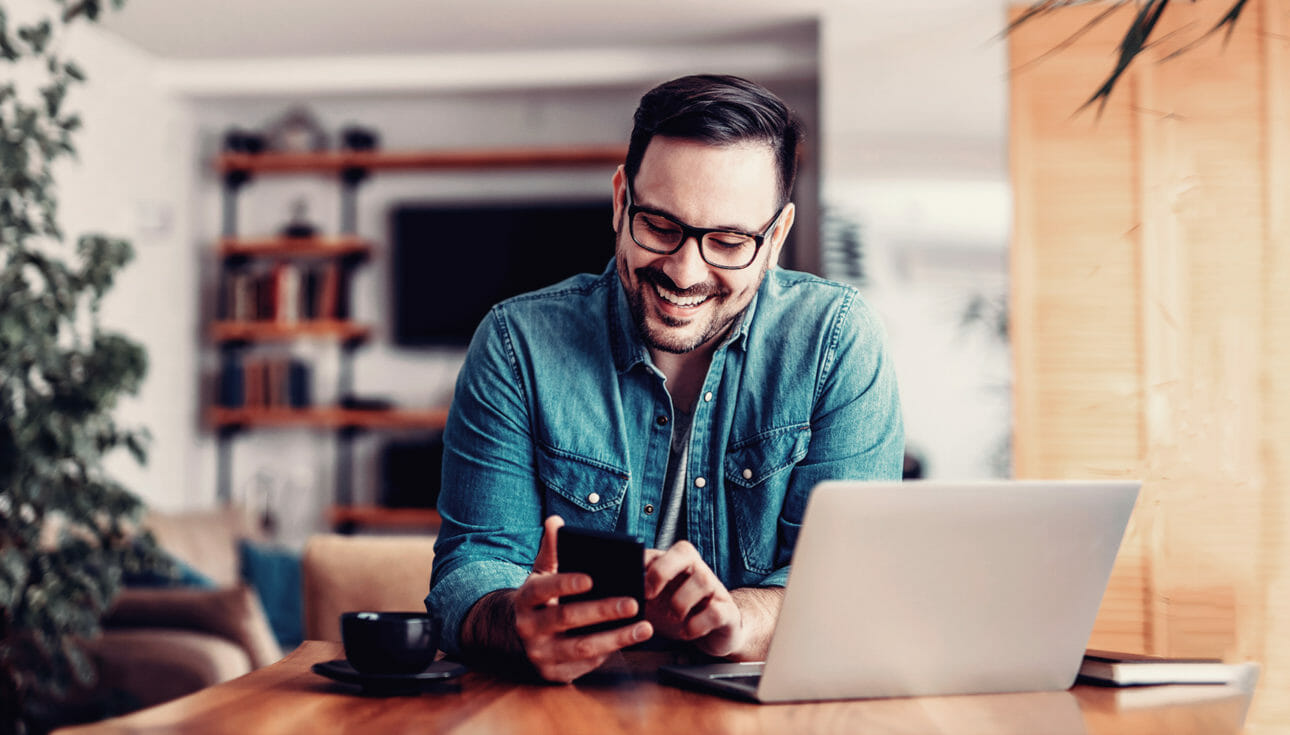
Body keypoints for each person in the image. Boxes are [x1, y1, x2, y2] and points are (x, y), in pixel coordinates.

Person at [427, 74, 903, 683]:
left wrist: (737, 619)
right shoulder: (516, 344)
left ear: (776, 235)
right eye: (660, 226)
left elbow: (849, 587)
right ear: (622, 200)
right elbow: (471, 572)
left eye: (729, 241)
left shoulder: (837, 342)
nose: (684, 272)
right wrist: (516, 621)